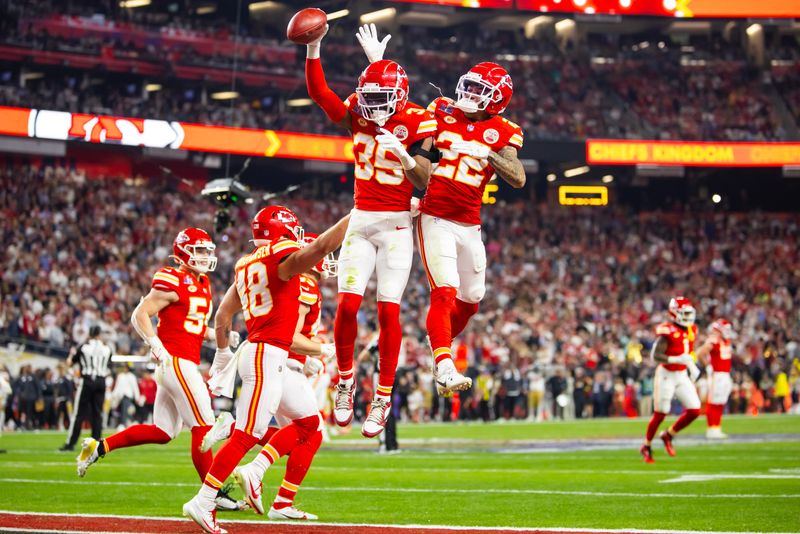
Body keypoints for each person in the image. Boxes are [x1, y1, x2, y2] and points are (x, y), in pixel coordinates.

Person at [356, 24, 525, 397]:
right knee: (444, 290)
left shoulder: (504, 131)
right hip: (434, 216)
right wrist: (378, 64)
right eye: (470, 86)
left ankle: (438, 347)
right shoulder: (441, 109)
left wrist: (488, 154)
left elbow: (517, 177)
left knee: (473, 298)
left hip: (470, 222)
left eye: (480, 91)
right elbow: (401, 114)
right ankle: (445, 363)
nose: (469, 94)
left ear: (496, 100)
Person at [182, 206, 350, 534]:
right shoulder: (281, 259)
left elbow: (222, 316)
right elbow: (320, 247)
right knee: (248, 435)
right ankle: (203, 500)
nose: (297, 238)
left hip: (262, 351)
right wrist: (358, 213)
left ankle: (261, 477)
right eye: (293, 231)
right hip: (267, 353)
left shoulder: (246, 263)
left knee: (309, 424)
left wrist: (222, 355)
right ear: (282, 232)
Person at [305, 24, 437, 438]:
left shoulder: (419, 120)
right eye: (369, 97)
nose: (373, 106)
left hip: (396, 224)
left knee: (387, 311)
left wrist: (406, 157)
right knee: (346, 306)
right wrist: (314, 47)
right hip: (362, 220)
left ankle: (382, 396)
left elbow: (424, 181)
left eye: (382, 98)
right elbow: (321, 95)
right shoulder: (359, 109)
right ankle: (345, 383)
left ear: (400, 96)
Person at [74, 228, 227, 490]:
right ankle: (213, 494)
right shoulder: (173, 278)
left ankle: (99, 447)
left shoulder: (203, 282)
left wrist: (219, 335)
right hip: (175, 361)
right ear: (182, 252)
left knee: (164, 431)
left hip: (180, 362)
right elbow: (139, 314)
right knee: (203, 425)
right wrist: (156, 346)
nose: (204, 255)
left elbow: (192, 327)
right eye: (199, 250)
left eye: (206, 250)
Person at [640, 297, 702, 464]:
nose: (688, 317)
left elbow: (688, 352)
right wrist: (677, 359)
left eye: (689, 313)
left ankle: (669, 434)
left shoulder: (692, 330)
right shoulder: (667, 331)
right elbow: (655, 356)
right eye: (685, 313)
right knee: (661, 413)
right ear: (675, 314)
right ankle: (646, 445)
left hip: (681, 374)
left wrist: (691, 365)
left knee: (695, 410)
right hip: (666, 374)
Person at [61, 326, 112, 450]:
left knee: (79, 413)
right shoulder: (107, 348)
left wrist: (71, 355)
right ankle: (96, 444)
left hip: (87, 381)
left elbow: (70, 363)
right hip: (101, 381)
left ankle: (71, 443)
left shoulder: (84, 347)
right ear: (99, 334)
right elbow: (108, 366)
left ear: (90, 334)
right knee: (98, 414)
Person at [695, 318, 736, 439]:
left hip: (725, 374)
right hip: (716, 374)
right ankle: (711, 428)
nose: (727, 331)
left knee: (720, 402)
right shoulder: (713, 340)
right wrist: (708, 366)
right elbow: (700, 353)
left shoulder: (726, 341)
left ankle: (717, 427)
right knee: (713, 402)